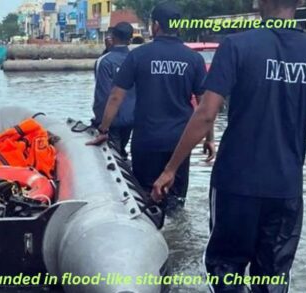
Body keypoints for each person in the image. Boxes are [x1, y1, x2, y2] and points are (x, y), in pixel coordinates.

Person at [151, 0, 306, 293]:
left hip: (236, 185)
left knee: (226, 269)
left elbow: (206, 113)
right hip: (285, 188)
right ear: (298, 3)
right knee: (272, 277)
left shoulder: (236, 46)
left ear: (260, 1)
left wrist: (170, 168)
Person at [88, 1, 215, 206]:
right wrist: (209, 138)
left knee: (146, 200)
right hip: (180, 143)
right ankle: (177, 237)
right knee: (176, 201)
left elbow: (115, 97)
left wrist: (104, 129)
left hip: (147, 140)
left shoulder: (139, 55)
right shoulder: (193, 59)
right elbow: (204, 106)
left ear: (156, 25)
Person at [92, 22, 136, 157]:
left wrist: (101, 124)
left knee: (112, 155)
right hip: (132, 118)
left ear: (112, 37)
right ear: (130, 39)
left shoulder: (105, 61)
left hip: (111, 121)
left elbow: (103, 94)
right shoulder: (135, 58)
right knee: (122, 149)